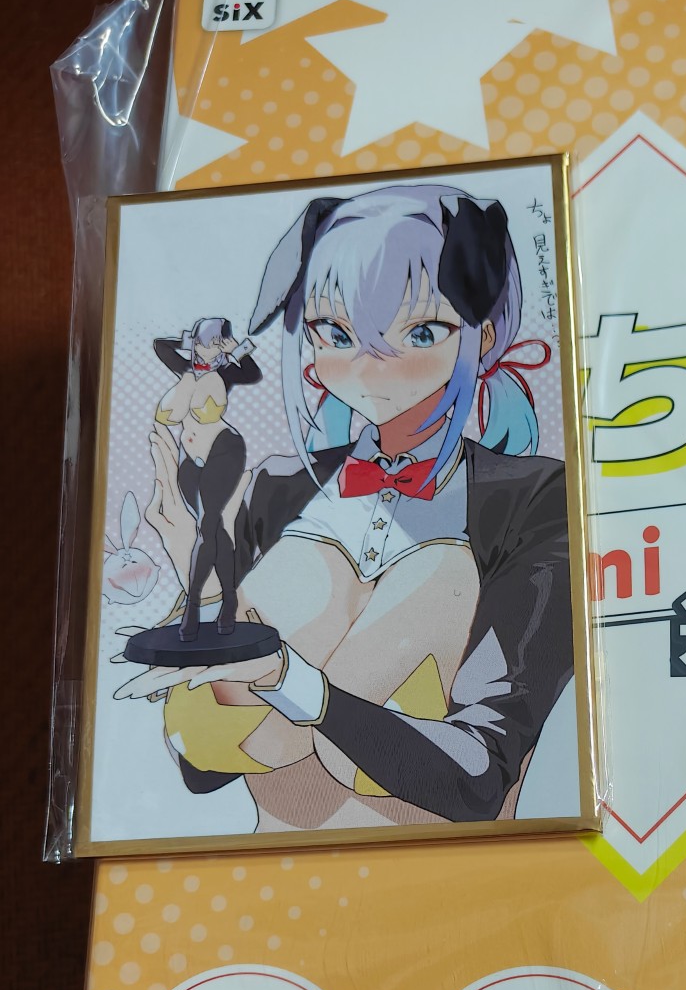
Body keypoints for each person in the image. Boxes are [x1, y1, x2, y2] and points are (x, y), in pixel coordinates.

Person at [125, 182, 576, 832]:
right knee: (311, 570)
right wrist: (201, 572)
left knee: (437, 574)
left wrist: (298, 686)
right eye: (336, 333)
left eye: (421, 331)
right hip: (274, 862)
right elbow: (200, 762)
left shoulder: (534, 499)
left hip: (451, 862)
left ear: (484, 336)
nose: (370, 365)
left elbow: (480, 775)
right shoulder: (276, 486)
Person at [148, 319, 262, 639]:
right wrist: (188, 341)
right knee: (214, 531)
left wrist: (236, 349)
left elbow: (252, 373)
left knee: (207, 524)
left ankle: (193, 605)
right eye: (201, 342)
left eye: (213, 343)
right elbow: (160, 346)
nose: (205, 349)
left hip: (224, 449)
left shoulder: (226, 372)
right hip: (192, 459)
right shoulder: (186, 368)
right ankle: (229, 600)